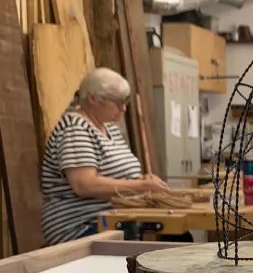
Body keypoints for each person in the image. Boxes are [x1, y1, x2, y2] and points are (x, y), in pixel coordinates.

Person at [41, 68, 168, 245]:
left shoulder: (110, 129)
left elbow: (117, 174)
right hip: (81, 226)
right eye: (118, 102)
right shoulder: (75, 128)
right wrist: (140, 185)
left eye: (126, 101)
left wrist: (140, 179)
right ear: (93, 99)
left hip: (114, 219)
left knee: (176, 238)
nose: (123, 108)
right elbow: (84, 184)